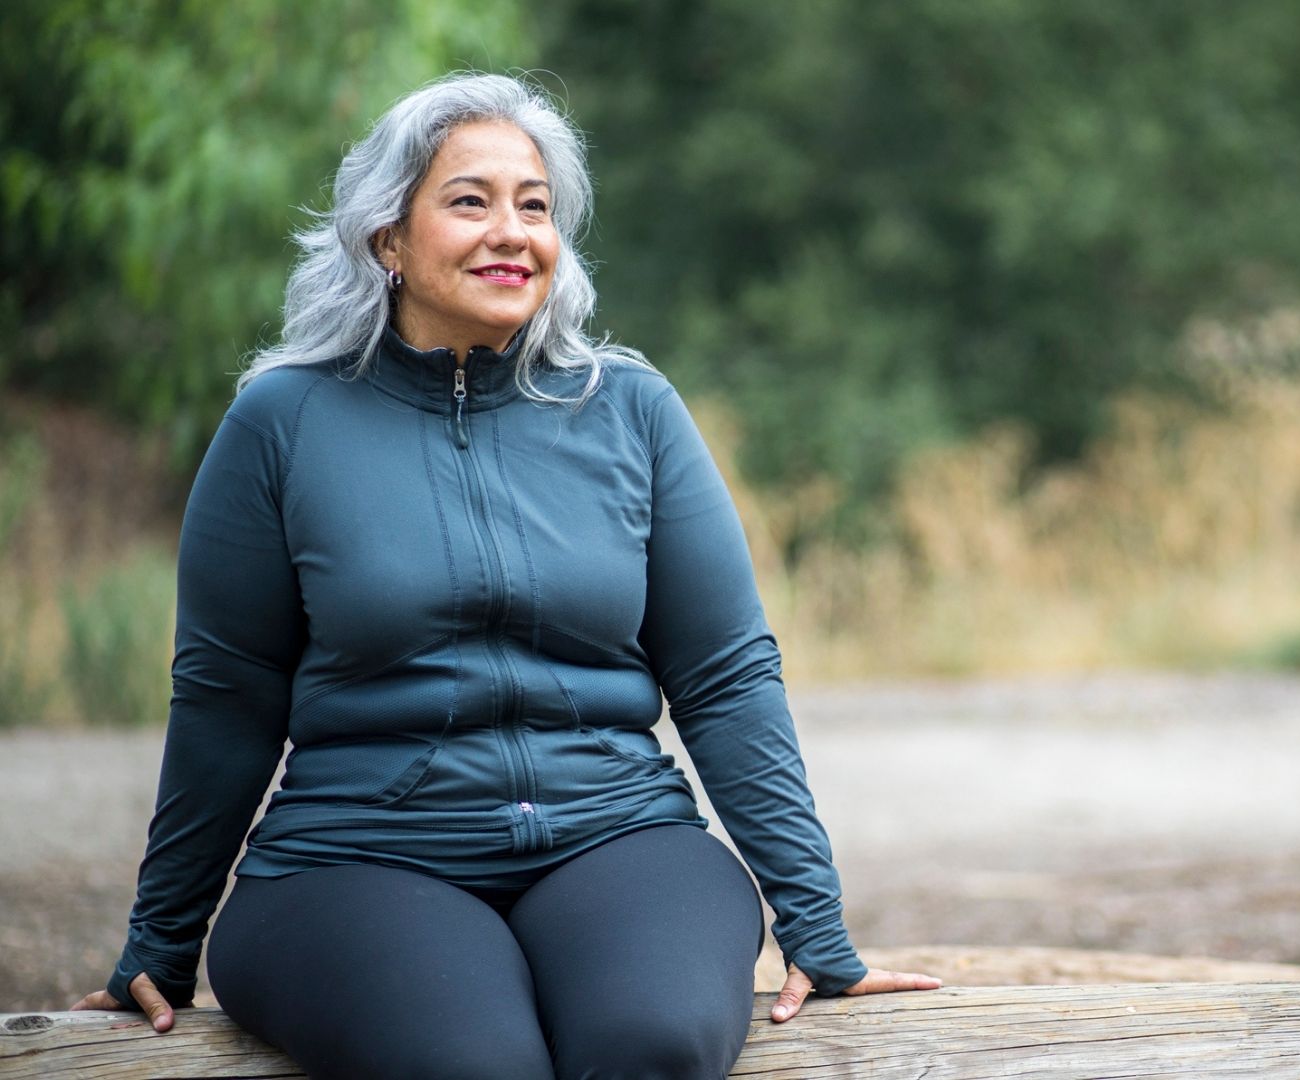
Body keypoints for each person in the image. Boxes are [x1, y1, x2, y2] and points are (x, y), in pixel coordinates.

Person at [71, 72, 939, 1079]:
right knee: (474, 1062)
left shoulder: (631, 412)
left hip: (616, 835)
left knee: (645, 1043)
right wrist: (161, 942)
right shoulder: (283, 423)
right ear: (385, 240)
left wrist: (817, 927)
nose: (511, 231)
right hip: (359, 856)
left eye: (535, 206)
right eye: (469, 200)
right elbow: (228, 695)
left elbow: (726, 675)